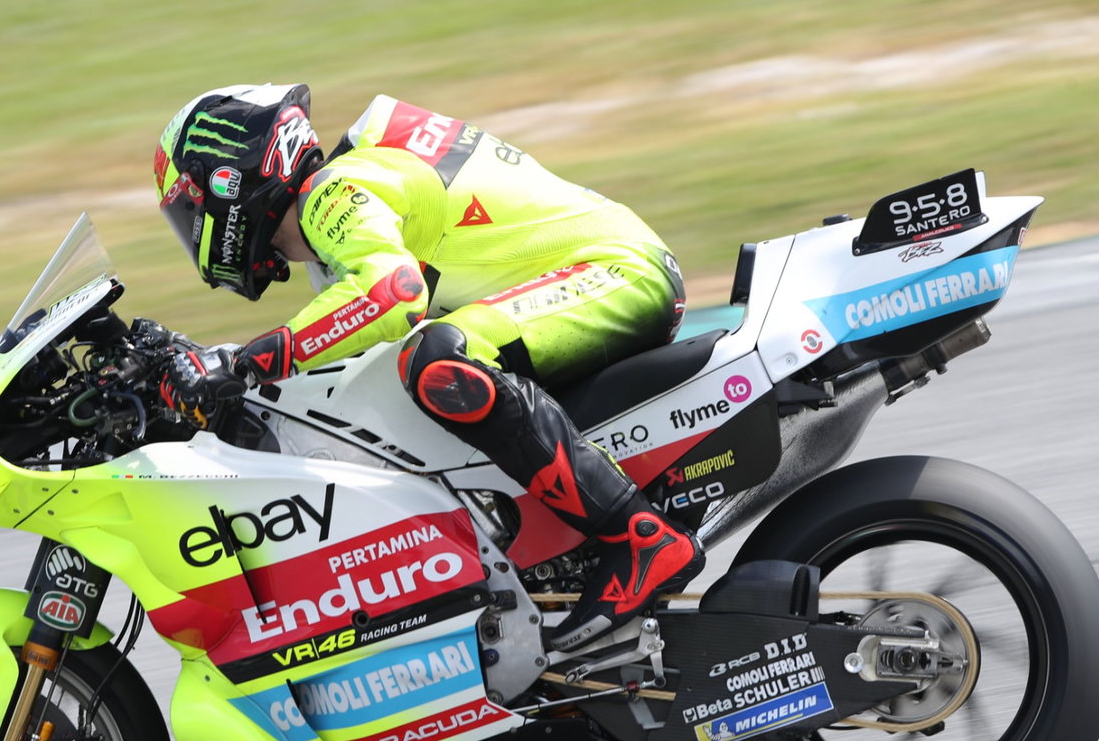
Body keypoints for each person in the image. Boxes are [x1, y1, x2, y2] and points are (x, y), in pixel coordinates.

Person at [152, 82, 702, 651]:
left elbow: (394, 294)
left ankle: (642, 539)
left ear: (229, 180)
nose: (191, 229)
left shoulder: (333, 192)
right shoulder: (335, 224)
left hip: (618, 272)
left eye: (189, 209)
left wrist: (241, 364)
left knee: (436, 362)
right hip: (605, 275)